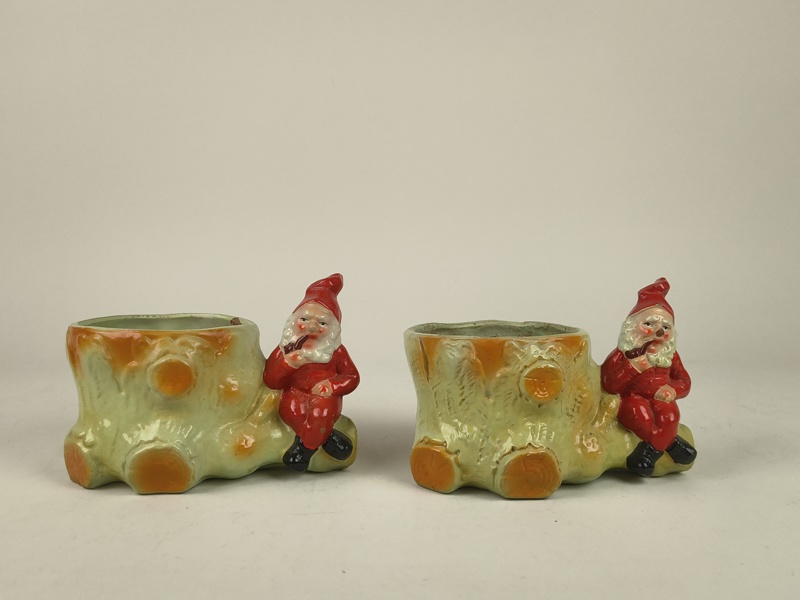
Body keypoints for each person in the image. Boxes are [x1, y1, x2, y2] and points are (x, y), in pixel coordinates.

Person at [263, 274, 360, 472]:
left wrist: (332, 385)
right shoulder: (285, 349)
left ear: (333, 328)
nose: (312, 327)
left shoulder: (336, 352)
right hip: (294, 393)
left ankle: (303, 451)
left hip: (323, 396)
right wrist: (288, 363)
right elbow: (271, 381)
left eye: (322, 323)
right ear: (293, 320)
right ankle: (328, 438)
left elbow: (352, 377)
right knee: (292, 412)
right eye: (304, 319)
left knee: (320, 413)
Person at [601, 278, 697, 476]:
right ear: (631, 327)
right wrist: (633, 367)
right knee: (641, 416)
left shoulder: (670, 356)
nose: (658, 331)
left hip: (660, 396)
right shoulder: (622, 355)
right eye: (648, 324)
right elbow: (609, 385)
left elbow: (684, 381)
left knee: (670, 417)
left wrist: (672, 390)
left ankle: (646, 455)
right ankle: (672, 444)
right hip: (632, 398)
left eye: (665, 327)